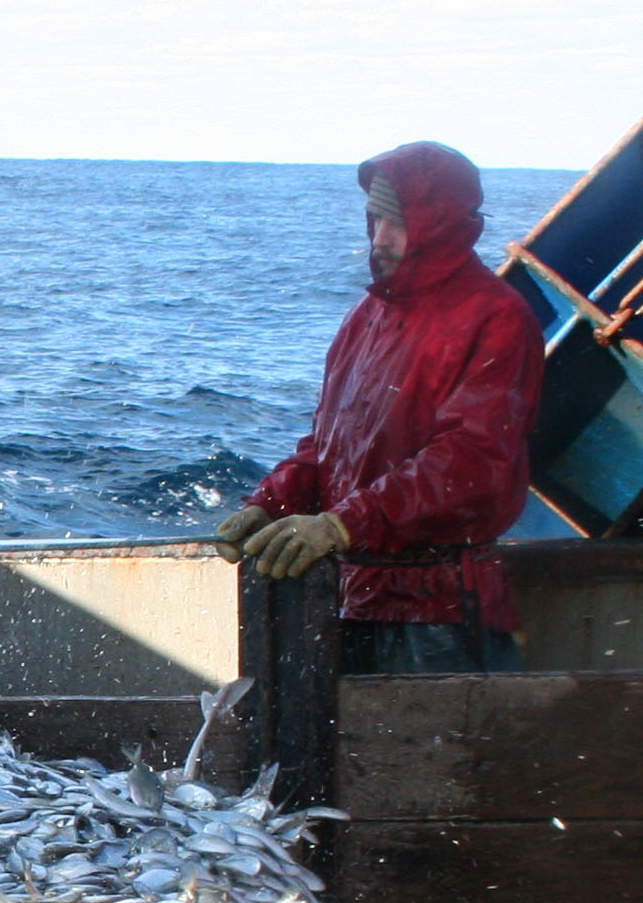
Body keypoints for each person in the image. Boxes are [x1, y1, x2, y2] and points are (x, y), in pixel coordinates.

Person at [214, 142, 543, 674]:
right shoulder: (366, 317)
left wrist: (343, 526)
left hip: (442, 616)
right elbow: (329, 448)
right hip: (351, 598)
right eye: (374, 220)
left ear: (440, 224)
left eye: (399, 222)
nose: (381, 238)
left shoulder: (497, 317)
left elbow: (472, 462)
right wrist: (272, 503)